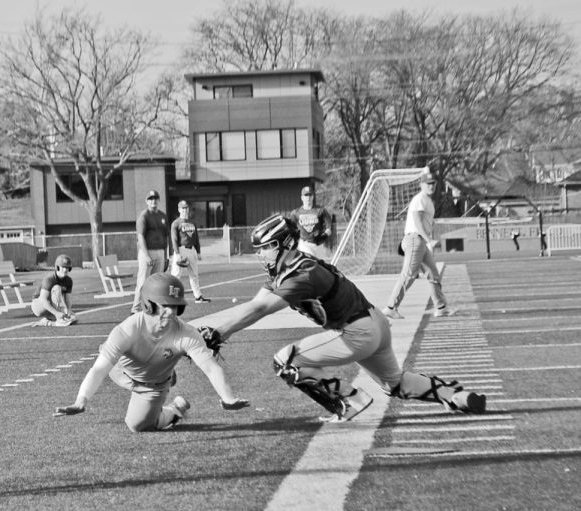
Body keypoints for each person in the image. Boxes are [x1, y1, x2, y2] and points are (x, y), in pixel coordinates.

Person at [201, 214, 486, 422]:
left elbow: (262, 309)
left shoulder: (301, 274)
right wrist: (218, 330)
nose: (261, 255)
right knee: (395, 384)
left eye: (265, 247)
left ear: (284, 244)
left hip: (356, 332)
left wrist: (220, 333)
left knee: (285, 361)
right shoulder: (294, 267)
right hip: (374, 323)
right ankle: (454, 395)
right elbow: (256, 304)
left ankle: (349, 402)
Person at [53, 273, 250, 432]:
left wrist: (228, 398)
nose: (171, 312)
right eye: (166, 305)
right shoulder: (127, 330)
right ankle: (166, 370)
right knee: (107, 356)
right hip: (120, 370)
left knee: (137, 425)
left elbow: (211, 368)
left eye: (176, 306)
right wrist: (81, 401)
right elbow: (99, 370)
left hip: (151, 383)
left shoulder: (186, 333)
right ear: (149, 304)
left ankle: (175, 408)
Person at [382, 168, 452, 319]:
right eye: (428, 183)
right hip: (415, 240)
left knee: (433, 274)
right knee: (409, 274)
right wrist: (429, 241)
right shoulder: (420, 199)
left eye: (433, 183)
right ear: (421, 185)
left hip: (420, 242)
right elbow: (417, 222)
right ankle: (390, 307)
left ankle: (441, 307)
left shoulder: (427, 200)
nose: (431, 186)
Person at [130, 189, 169, 313]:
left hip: (160, 252)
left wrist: (167, 255)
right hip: (148, 252)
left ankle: (152, 307)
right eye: (151, 199)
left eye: (155, 199)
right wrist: (146, 255)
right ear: (147, 201)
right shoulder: (144, 216)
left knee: (156, 282)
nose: (153, 201)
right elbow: (140, 236)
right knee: (142, 281)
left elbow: (166, 236)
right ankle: (136, 308)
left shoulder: (162, 216)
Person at [169, 200, 210, 304]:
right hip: (181, 249)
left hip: (191, 250)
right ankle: (172, 298)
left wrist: (198, 251)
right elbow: (174, 239)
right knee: (176, 275)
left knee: (194, 275)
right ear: (179, 210)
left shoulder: (193, 222)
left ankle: (198, 296)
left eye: (186, 208)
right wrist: (177, 253)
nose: (185, 210)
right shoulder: (176, 223)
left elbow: (196, 238)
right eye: (182, 208)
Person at [289, 185, 333, 260]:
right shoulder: (295, 213)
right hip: (304, 244)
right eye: (306, 195)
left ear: (313, 197)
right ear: (302, 197)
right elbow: (291, 229)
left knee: (321, 268)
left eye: (310, 195)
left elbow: (329, 227)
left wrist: (323, 236)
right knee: (310, 263)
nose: (308, 198)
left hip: (318, 244)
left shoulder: (321, 210)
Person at [31, 253, 76, 327]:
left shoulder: (69, 281)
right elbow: (43, 300)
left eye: (67, 267)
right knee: (57, 288)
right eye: (63, 267)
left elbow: (67, 299)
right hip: (38, 305)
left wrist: (68, 310)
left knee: (74, 318)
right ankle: (57, 320)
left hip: (51, 305)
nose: (65, 270)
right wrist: (56, 313)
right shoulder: (49, 279)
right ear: (57, 267)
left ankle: (47, 322)